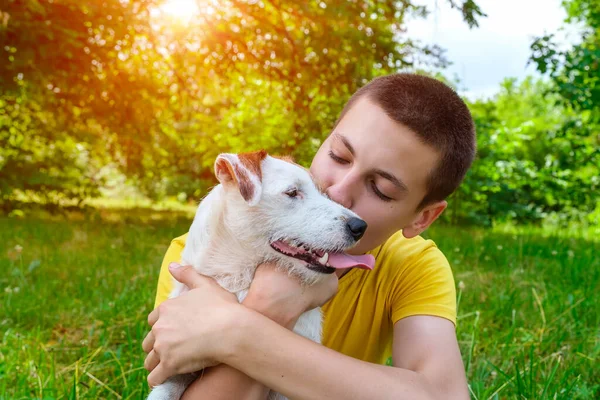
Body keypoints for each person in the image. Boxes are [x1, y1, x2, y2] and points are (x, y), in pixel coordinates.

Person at [143, 73, 476, 399]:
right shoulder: (204, 252)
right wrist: (268, 309)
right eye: (339, 156)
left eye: (381, 189)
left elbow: (443, 395)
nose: (337, 192)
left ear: (423, 217)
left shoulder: (413, 266)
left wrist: (238, 332)